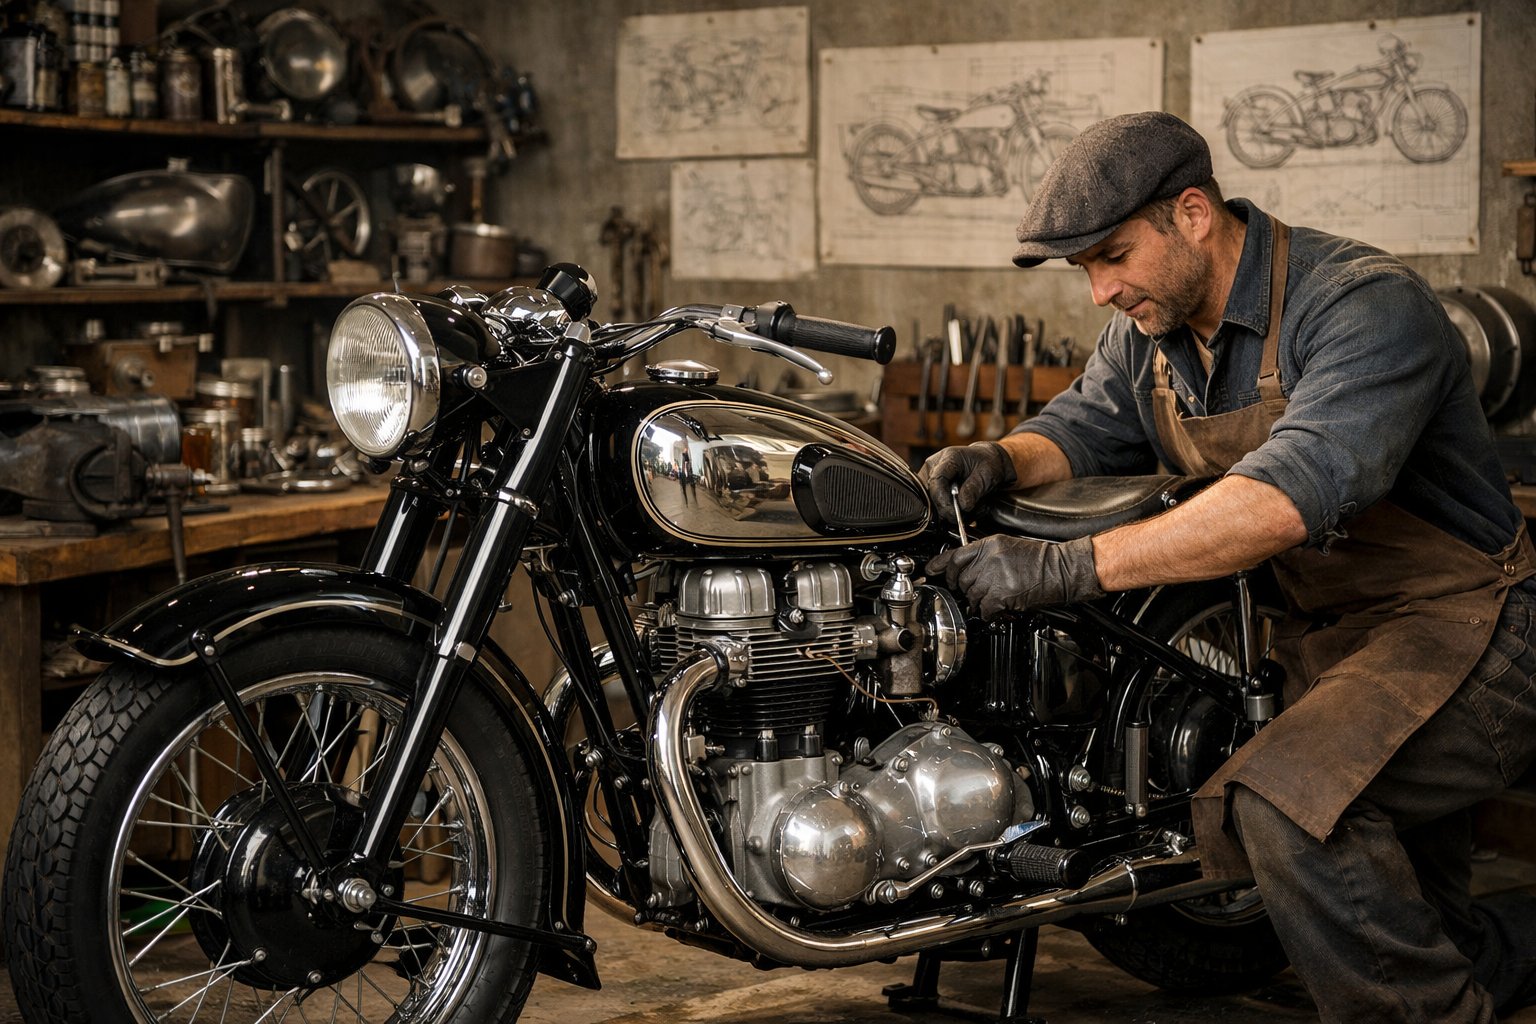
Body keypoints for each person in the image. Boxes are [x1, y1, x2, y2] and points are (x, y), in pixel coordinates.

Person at [921, 110, 1536, 1022]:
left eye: (1112, 257)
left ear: (1195, 214)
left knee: (1287, 806)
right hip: (1331, 645)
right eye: (1083, 269)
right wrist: (1004, 459)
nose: (1099, 292)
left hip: (1474, 634)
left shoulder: (1363, 306)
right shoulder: (1151, 335)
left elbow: (1287, 495)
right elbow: (1084, 429)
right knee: (1417, 927)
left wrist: (1065, 568)